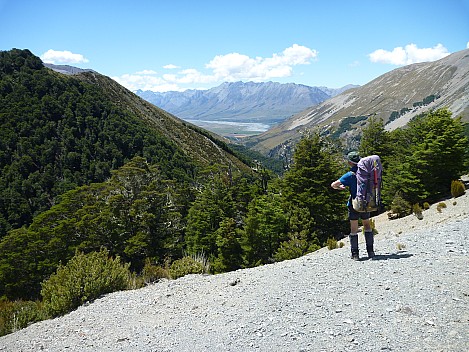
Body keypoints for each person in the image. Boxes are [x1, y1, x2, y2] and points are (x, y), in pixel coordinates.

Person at [330, 151, 375, 260]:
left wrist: (339, 188)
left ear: (350, 163)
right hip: (366, 202)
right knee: (367, 226)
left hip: (354, 204)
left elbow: (333, 184)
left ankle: (355, 254)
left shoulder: (350, 175)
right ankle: (371, 251)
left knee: (354, 229)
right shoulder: (367, 172)